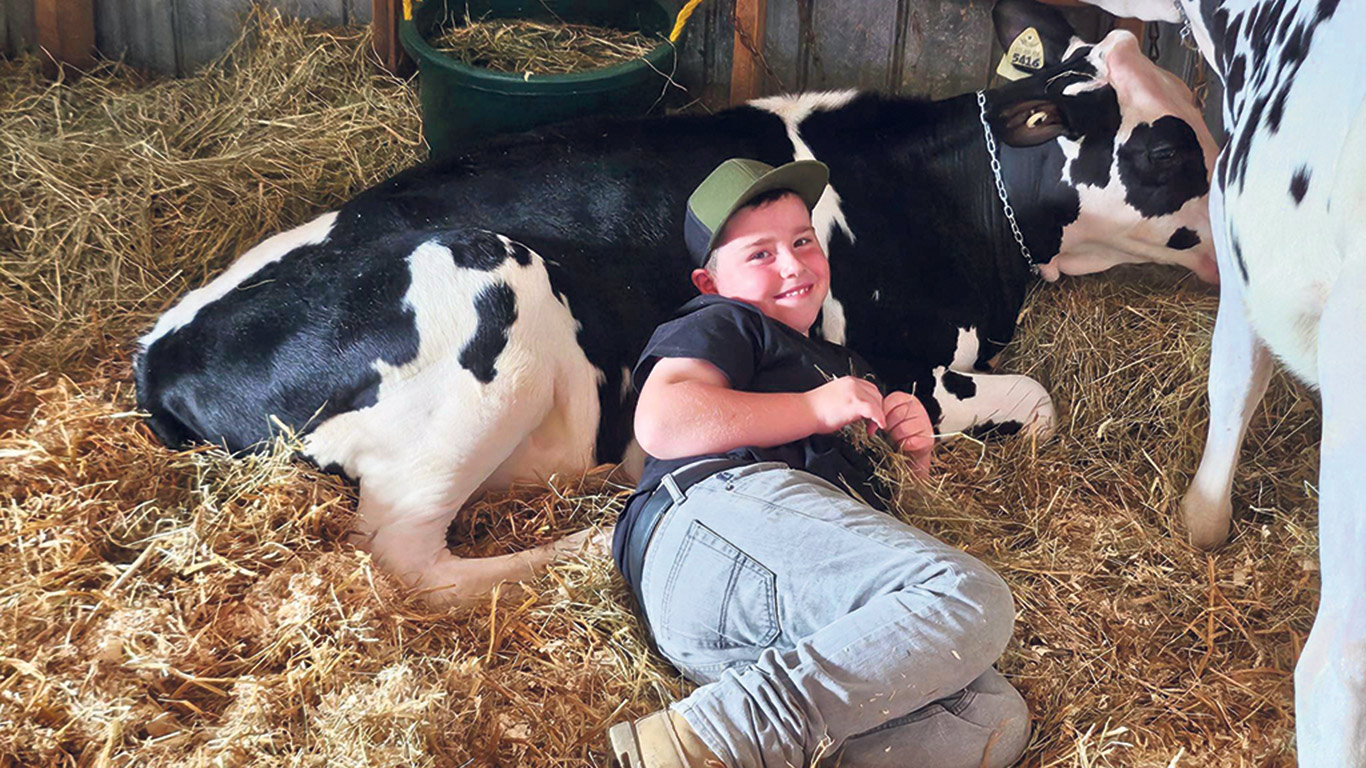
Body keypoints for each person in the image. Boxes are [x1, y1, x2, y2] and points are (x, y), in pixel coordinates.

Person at [606, 158, 1031, 768]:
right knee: (969, 595)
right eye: (760, 253)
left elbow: (858, 536)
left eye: (803, 240)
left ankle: (734, 742)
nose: (792, 263)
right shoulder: (727, 322)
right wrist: (813, 405)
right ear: (709, 282)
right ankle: (703, 740)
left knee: (990, 717)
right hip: (711, 532)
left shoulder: (842, 362)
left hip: (757, 629)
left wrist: (911, 457)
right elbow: (664, 421)